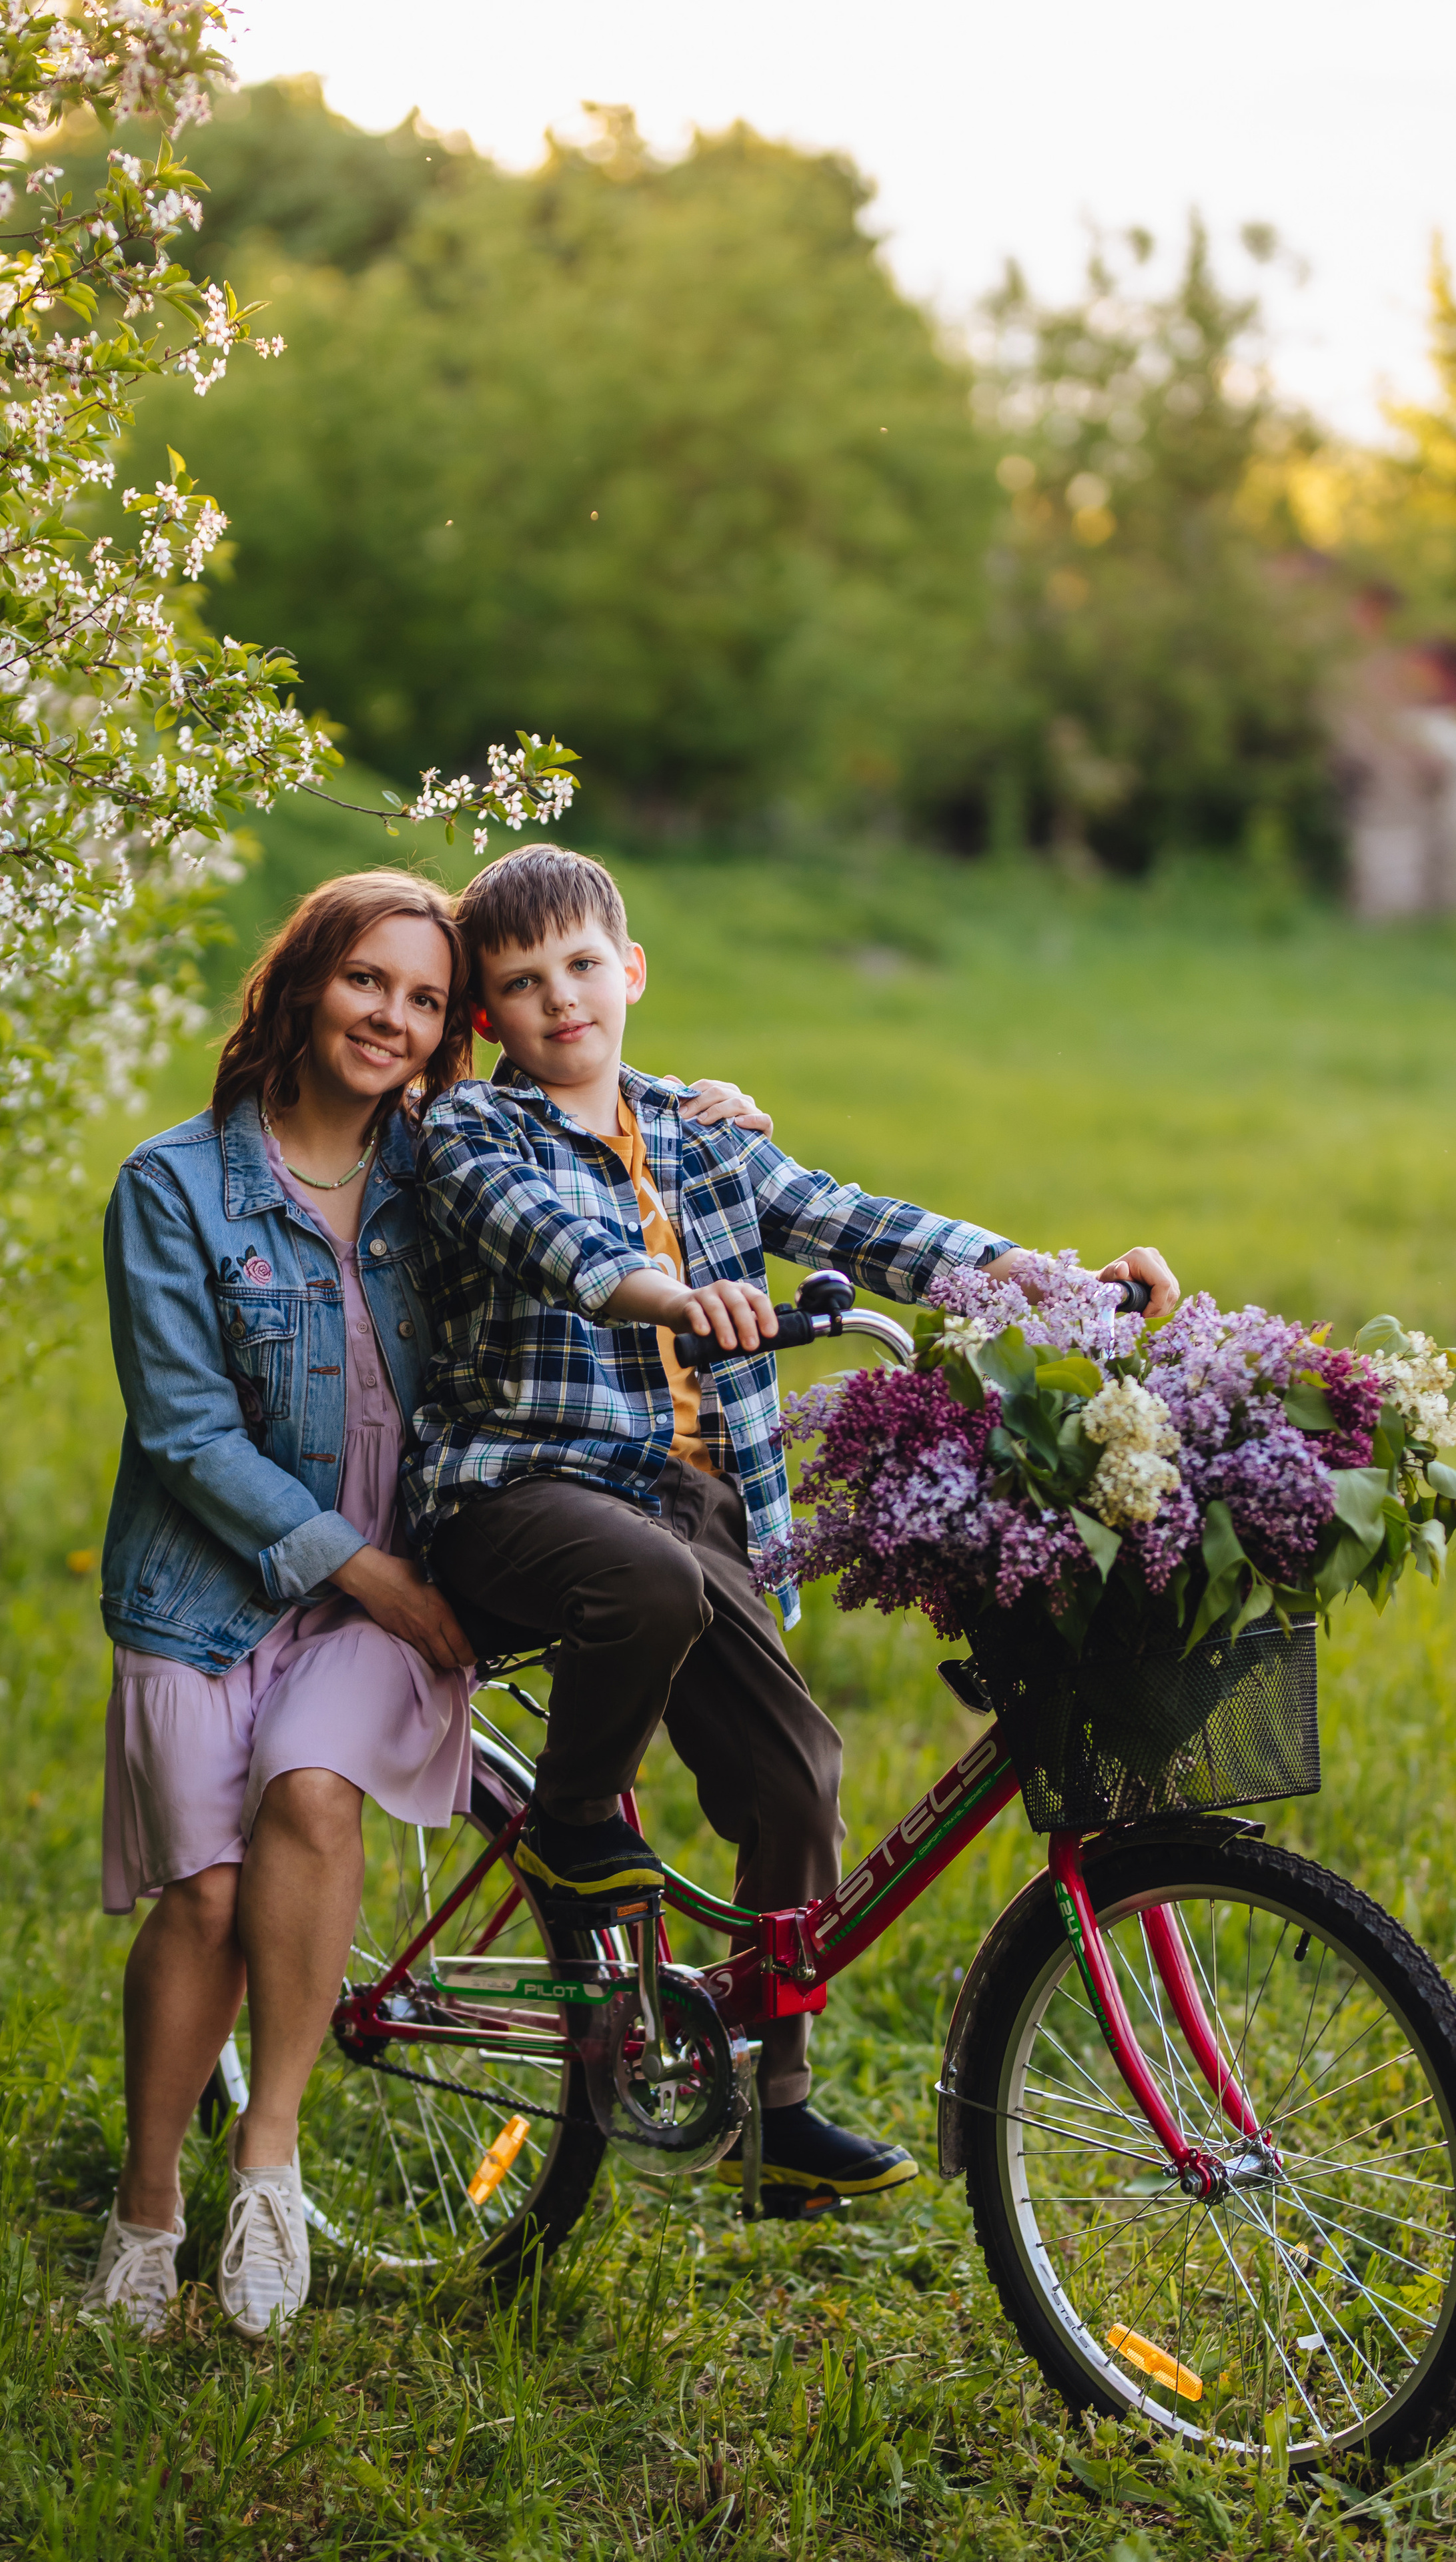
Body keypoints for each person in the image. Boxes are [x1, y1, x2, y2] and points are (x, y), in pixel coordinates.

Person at [411, 845, 1179, 2218]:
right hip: (522, 1494)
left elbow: (860, 1224)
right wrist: (666, 1294)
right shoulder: (469, 1134)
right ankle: (569, 1821)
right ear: (487, 1017)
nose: (560, 1002)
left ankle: (773, 2113)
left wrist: (1057, 1280)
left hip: (700, 1514)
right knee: (641, 1577)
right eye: (521, 986)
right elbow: (547, 1241)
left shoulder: (707, 1132)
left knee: (795, 1784)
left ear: (630, 971)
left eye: (582, 967)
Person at [81, 867, 774, 2336]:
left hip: (382, 1595)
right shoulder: (172, 1187)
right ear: (301, 984)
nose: (388, 1019)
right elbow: (189, 1436)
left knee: (312, 1797)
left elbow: (571, 1127)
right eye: (362, 984)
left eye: (418, 996)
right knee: (203, 1897)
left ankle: (266, 2157)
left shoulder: (437, 1162)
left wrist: (684, 1106)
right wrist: (371, 1571)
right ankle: (148, 2204)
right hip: (215, 1588)